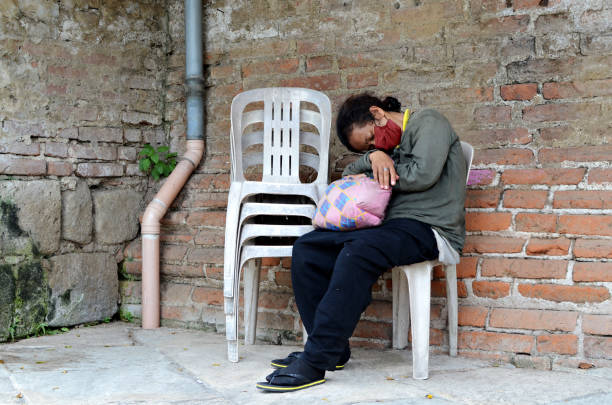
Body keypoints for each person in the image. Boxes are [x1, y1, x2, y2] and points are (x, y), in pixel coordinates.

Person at [256, 93, 467, 392]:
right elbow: (348, 175)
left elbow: (423, 174)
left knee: (359, 251)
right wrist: (372, 158)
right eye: (368, 147)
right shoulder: (383, 152)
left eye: (371, 138)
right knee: (308, 247)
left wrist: (378, 165)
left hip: (431, 229)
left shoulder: (428, 121)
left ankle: (315, 361)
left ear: (377, 113)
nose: (375, 145)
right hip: (391, 228)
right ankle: (333, 348)